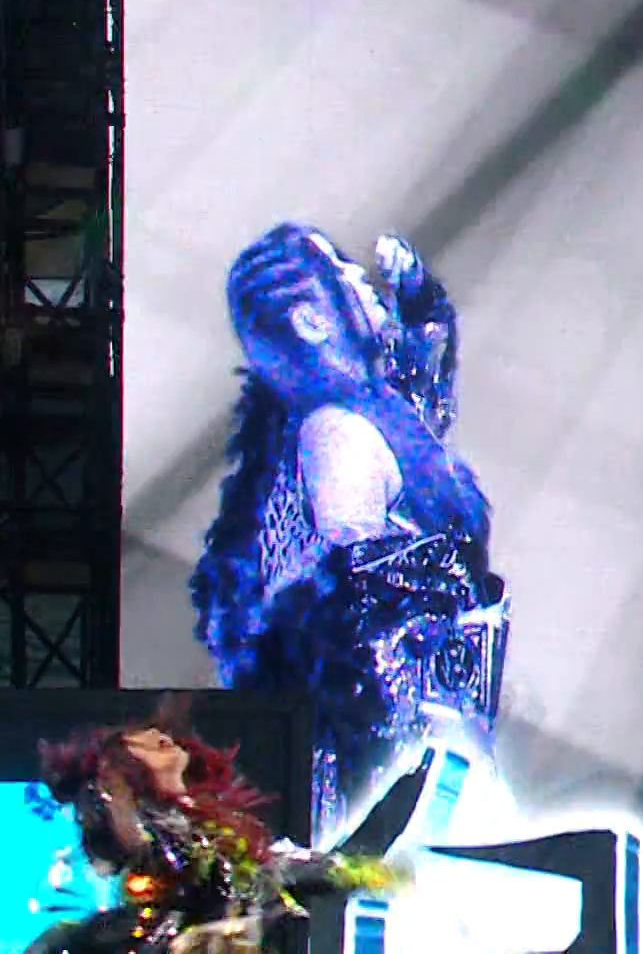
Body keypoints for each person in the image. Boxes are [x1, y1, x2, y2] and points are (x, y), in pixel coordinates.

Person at [189, 223, 506, 847]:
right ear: (312, 320)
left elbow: (420, 405)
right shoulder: (336, 435)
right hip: (394, 776)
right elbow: (357, 618)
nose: (362, 281)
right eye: (343, 271)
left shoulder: (346, 421)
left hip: (409, 764)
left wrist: (422, 307)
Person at [23, 696, 405, 954]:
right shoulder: (138, 823)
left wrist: (361, 873)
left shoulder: (209, 828)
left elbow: (269, 872)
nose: (157, 736)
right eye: (139, 742)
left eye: (157, 733)